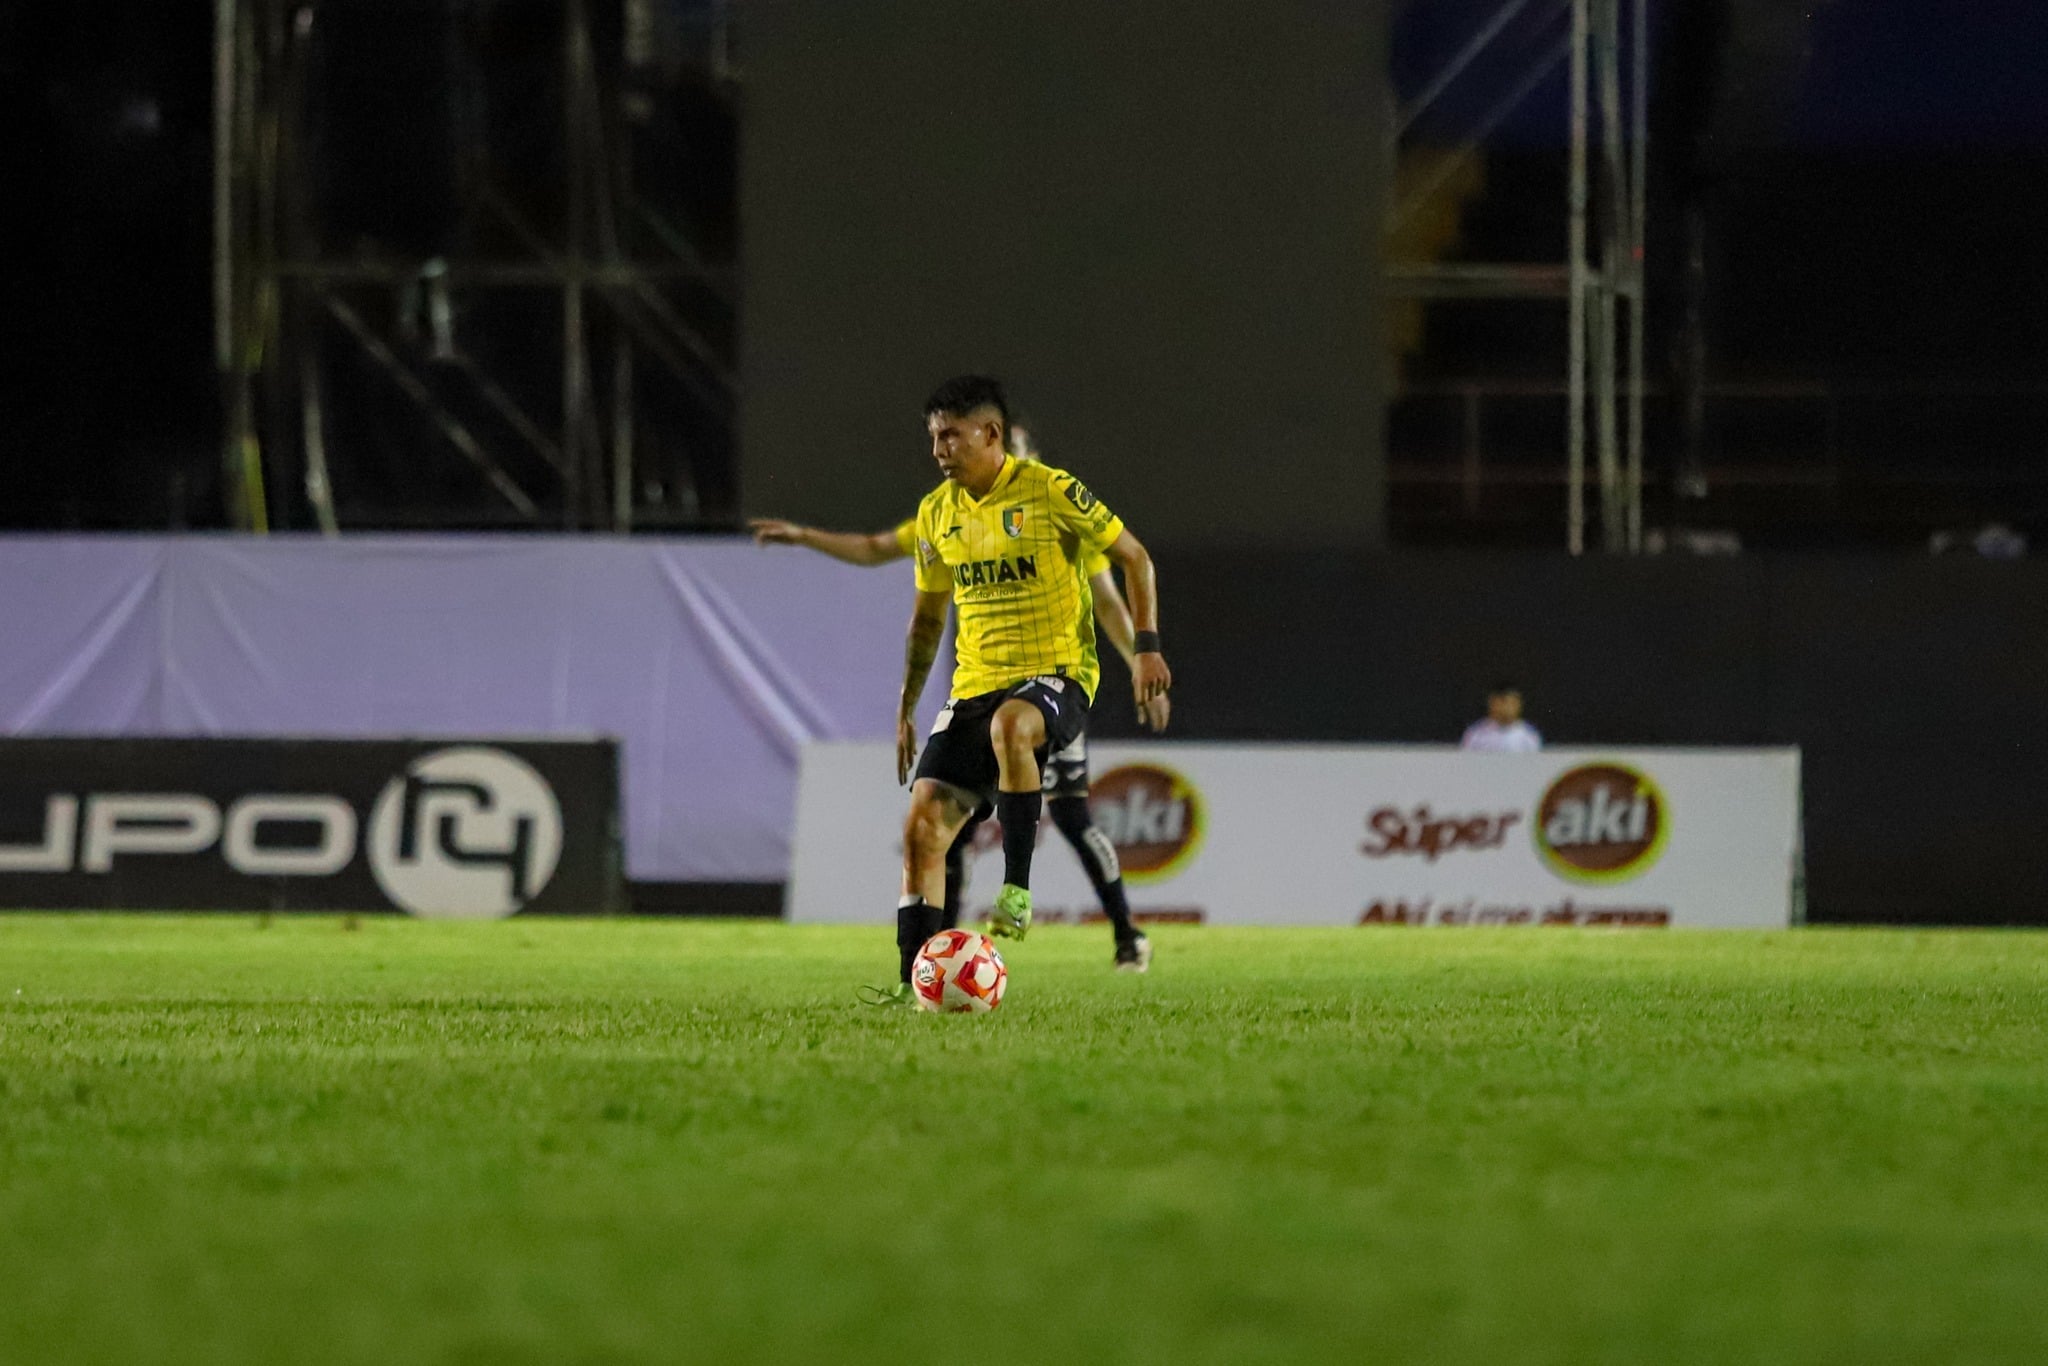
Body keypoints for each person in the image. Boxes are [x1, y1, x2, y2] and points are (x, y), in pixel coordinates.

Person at [850, 376, 1170, 1006]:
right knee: (923, 831)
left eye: (952, 435)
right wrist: (906, 706)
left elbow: (1135, 558)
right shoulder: (935, 514)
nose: (939, 449)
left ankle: (1017, 890)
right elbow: (927, 620)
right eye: (933, 437)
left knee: (1014, 729)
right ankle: (914, 983)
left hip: (1056, 674)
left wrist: (1147, 649)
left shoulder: (1051, 491)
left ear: (991, 434)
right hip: (974, 686)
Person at [750, 509, 1167, 971]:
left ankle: (1125, 932)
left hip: (1050, 689)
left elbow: (1107, 601)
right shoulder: (953, 517)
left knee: (1073, 819)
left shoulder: (1057, 518)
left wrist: (1139, 662)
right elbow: (875, 548)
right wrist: (807, 534)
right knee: (949, 826)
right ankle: (937, 956)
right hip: (985, 693)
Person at [1460, 683, 1542, 752]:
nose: (1507, 707)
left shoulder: (1528, 735)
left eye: (1512, 703)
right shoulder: (1476, 734)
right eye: (1503, 701)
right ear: (1492, 703)